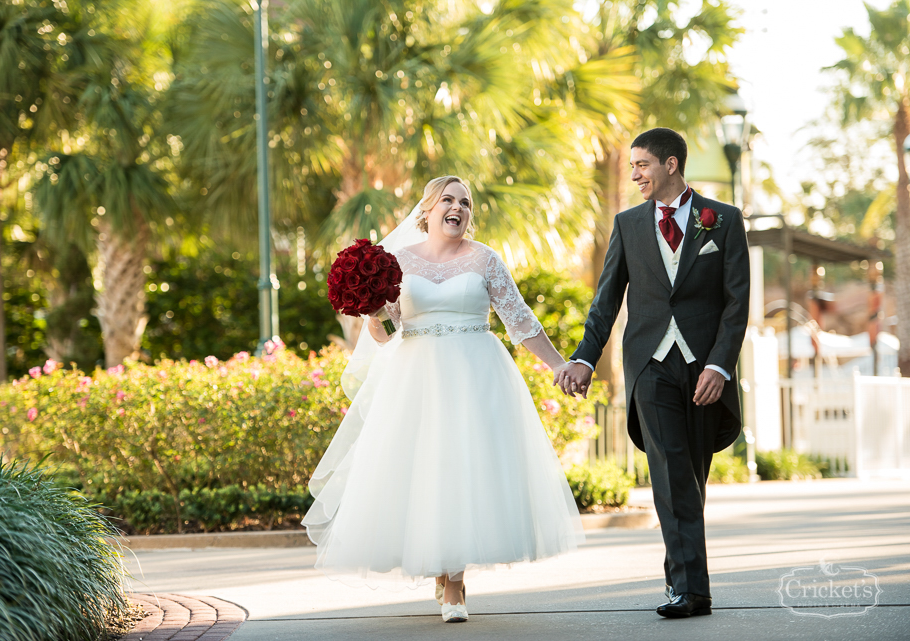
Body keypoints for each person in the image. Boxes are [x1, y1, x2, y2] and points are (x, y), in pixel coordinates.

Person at [302, 176, 585, 623]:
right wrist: (372, 312)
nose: (457, 208)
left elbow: (520, 321)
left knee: (462, 467)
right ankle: (440, 564)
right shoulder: (396, 262)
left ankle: (455, 582)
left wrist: (556, 365)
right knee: (425, 469)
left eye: (465, 202)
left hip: (476, 372)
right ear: (428, 211)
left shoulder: (485, 259)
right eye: (448, 200)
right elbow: (384, 332)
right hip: (416, 375)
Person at [555, 128, 750, 618]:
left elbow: (736, 303)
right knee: (670, 473)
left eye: (642, 164)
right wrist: (583, 356)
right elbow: (605, 302)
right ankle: (691, 591)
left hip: (704, 367)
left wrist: (720, 365)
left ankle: (681, 580)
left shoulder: (722, 221)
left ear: (670, 164)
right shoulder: (628, 225)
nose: (635, 174)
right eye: (633, 167)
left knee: (691, 478)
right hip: (651, 365)